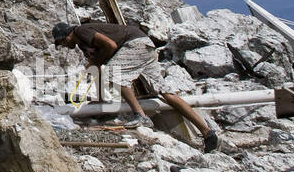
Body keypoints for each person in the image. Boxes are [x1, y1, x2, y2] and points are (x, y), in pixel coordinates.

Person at [52, 20, 219, 151]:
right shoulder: (83, 44)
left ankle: (141, 116)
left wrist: (99, 63)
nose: (64, 46)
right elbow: (99, 68)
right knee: (165, 93)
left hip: (135, 44)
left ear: (66, 36)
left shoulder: (81, 31)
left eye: (62, 43)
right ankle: (207, 132)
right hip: (145, 46)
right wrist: (100, 100)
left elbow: (110, 46)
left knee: (116, 74)